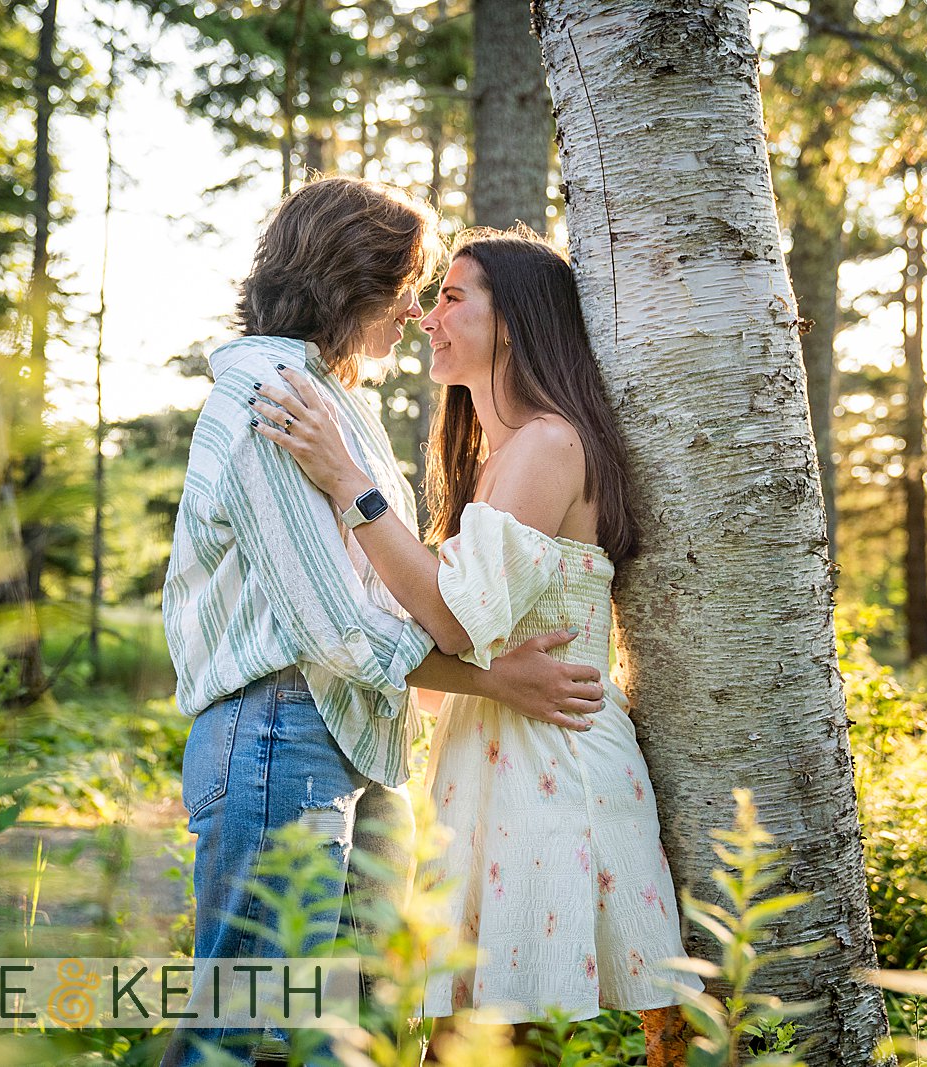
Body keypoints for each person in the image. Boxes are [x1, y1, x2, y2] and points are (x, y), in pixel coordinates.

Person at [160, 182, 606, 1067]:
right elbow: (342, 627)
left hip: (357, 740)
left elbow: (397, 583)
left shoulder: (335, 397)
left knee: (352, 1037)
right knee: (244, 1030)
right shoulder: (272, 397)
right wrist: (491, 680)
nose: (414, 308)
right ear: (344, 280)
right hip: (279, 730)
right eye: (406, 284)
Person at [250, 229, 700, 1058]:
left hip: (550, 770)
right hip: (487, 765)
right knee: (465, 1035)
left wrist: (346, 479)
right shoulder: (499, 461)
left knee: (499, 1036)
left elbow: (452, 623)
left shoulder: (550, 444)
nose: (427, 317)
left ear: (516, 323)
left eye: (454, 297)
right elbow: (436, 657)